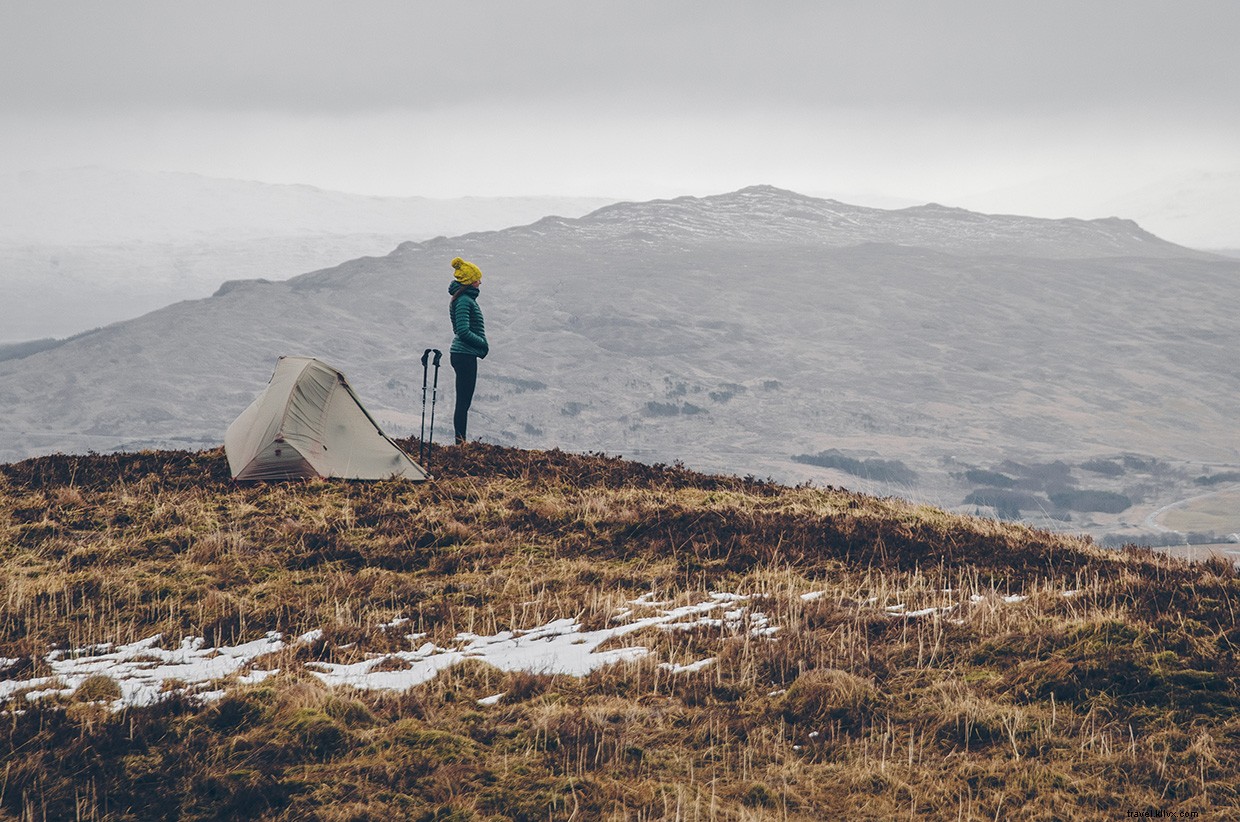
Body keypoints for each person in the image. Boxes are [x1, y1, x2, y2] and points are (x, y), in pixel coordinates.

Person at [447, 257, 488, 444]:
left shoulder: (463, 299)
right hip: (464, 355)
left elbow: (458, 329)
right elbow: (462, 331)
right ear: (471, 281)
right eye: (478, 278)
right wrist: (482, 344)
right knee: (463, 402)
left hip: (463, 354)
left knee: (464, 401)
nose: (480, 282)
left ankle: (460, 442)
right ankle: (460, 443)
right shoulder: (464, 301)